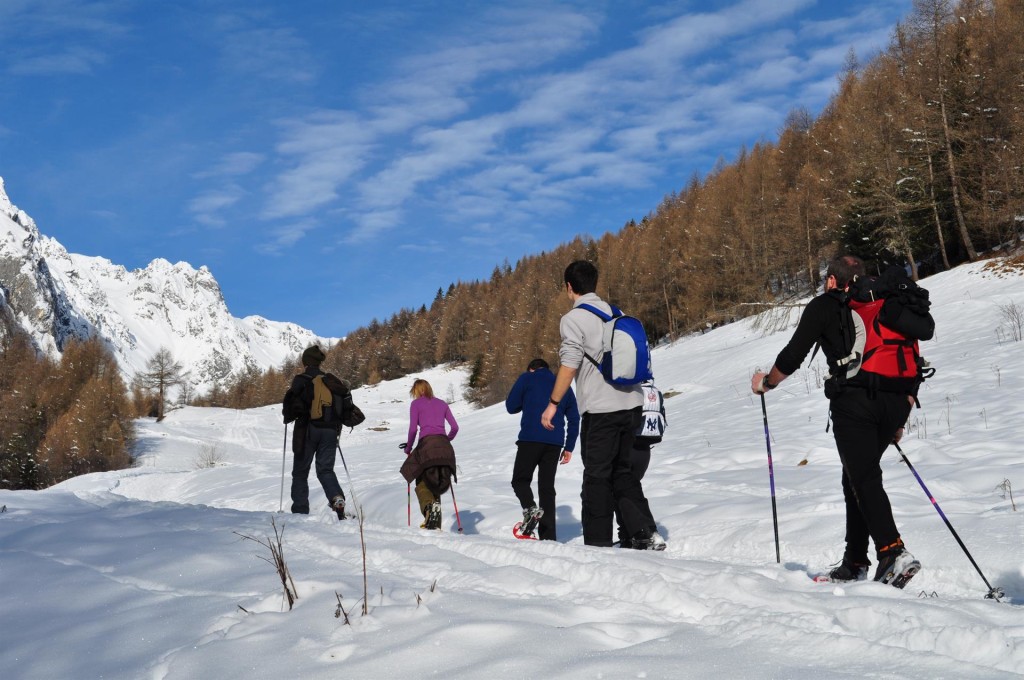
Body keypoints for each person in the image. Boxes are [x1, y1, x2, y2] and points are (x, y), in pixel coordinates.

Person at [750, 254, 919, 587]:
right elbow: (909, 350)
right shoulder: (885, 302)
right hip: (897, 399)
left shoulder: (826, 305)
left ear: (831, 280)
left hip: (855, 402)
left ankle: (893, 551)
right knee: (854, 477)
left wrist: (766, 383)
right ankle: (855, 561)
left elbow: (793, 355)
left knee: (864, 476)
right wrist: (902, 409)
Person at [541, 260, 664, 549]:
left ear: (569, 287)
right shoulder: (616, 313)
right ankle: (644, 531)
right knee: (623, 472)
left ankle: (598, 545)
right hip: (633, 404)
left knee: (596, 477)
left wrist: (553, 403)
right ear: (594, 283)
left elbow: (569, 363)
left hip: (600, 409)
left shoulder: (573, 319)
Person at [505, 358, 580, 540]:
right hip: (554, 443)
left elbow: (511, 406)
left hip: (530, 439)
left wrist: (528, 401)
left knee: (520, 480)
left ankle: (530, 510)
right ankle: (548, 536)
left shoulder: (527, 378)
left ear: (531, 369)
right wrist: (569, 446)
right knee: (547, 488)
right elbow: (574, 418)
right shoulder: (563, 386)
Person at [281, 346, 347, 519]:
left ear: (305, 362)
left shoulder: (301, 380)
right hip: (330, 431)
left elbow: (292, 408)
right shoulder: (330, 381)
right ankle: (336, 498)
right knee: (326, 470)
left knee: (300, 472)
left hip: (308, 431)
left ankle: (300, 512)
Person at [400, 379, 458, 530]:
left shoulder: (416, 404)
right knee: (436, 483)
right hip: (445, 449)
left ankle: (428, 508)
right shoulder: (442, 404)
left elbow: (413, 429)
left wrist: (408, 448)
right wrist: (445, 439)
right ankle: (434, 524)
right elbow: (455, 427)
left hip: (427, 446)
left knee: (422, 483)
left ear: (418, 391)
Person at [616, 380, 666, 546]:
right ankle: (633, 534)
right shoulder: (655, 391)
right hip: (645, 450)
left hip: (628, 447)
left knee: (622, 490)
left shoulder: (630, 390)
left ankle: (639, 533)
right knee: (631, 488)